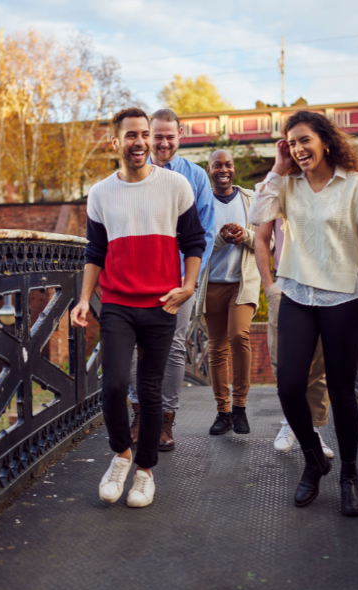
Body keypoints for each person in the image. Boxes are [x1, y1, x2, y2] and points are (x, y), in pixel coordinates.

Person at [248, 110, 358, 517]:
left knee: (343, 392)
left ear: (325, 141)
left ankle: (348, 475)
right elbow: (257, 217)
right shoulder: (286, 185)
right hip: (296, 292)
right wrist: (277, 169)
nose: (298, 149)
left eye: (304, 140)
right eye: (291, 143)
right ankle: (314, 460)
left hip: (344, 297)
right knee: (289, 386)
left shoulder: (355, 186)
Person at [70, 108, 205, 508]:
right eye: (132, 135)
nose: (141, 142)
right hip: (116, 302)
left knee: (150, 392)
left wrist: (188, 286)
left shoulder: (177, 185)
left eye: (145, 134)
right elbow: (95, 251)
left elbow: (193, 242)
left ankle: (145, 472)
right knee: (112, 385)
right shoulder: (100, 194)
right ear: (116, 142)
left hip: (162, 303)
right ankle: (121, 456)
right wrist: (82, 298)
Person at [127, 109, 216, 452]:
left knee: (175, 347)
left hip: (180, 277)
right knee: (139, 345)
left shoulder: (195, 177)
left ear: (180, 134)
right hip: (138, 277)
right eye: (156, 136)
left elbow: (205, 232)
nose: (162, 143)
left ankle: (165, 422)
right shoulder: (132, 174)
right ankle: (139, 416)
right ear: (147, 135)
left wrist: (187, 279)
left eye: (169, 136)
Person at [254, 220, 334, 458]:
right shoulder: (279, 185)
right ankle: (293, 420)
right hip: (286, 284)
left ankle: (314, 428)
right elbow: (261, 237)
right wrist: (269, 286)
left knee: (319, 361)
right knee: (284, 360)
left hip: (326, 282)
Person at [195, 149, 260, 435]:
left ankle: (241, 408)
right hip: (211, 286)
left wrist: (245, 235)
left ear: (234, 169)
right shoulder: (200, 202)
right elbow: (193, 246)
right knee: (217, 347)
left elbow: (267, 243)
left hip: (242, 283)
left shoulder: (250, 200)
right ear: (209, 170)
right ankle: (223, 412)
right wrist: (219, 239)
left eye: (229, 164)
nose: (224, 169)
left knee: (239, 335)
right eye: (217, 165)